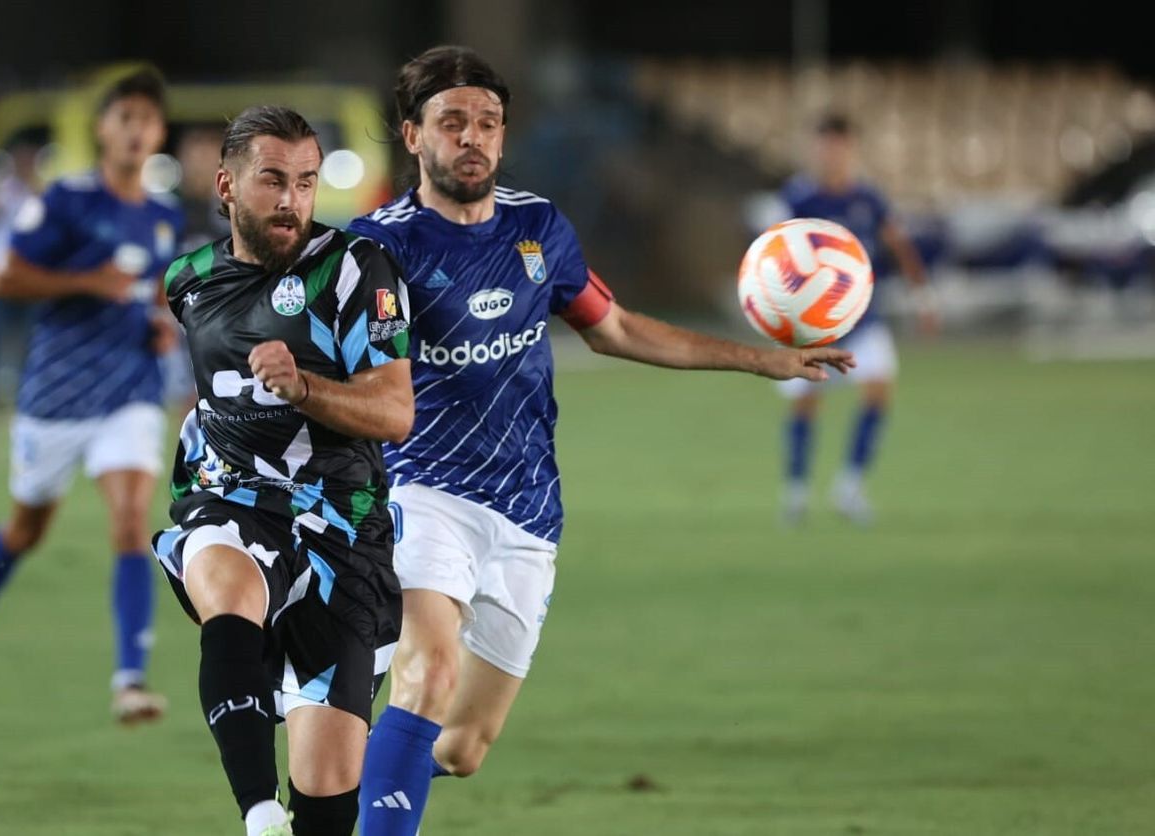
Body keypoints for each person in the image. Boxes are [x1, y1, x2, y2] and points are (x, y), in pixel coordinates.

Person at [347, 46, 853, 834]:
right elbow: (350, 373)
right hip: (422, 492)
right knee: (429, 670)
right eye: (452, 122)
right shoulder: (378, 247)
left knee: (463, 747)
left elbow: (613, 328)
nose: (472, 137)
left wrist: (764, 359)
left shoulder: (538, 229)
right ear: (413, 135)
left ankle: (360, 772)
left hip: (527, 510)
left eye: (488, 122)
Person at [154, 105, 413, 836]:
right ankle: (258, 811)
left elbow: (394, 412)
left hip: (344, 527)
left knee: (327, 801)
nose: (292, 200)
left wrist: (303, 388)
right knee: (228, 590)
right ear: (227, 185)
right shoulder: (188, 280)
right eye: (273, 180)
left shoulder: (357, 268)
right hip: (233, 499)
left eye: (306, 181)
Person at [0, 69, 183, 727]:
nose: (136, 131)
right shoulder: (68, 201)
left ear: (159, 132)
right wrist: (85, 282)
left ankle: (130, 680)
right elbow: (4, 278)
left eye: (147, 120)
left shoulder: (164, 214)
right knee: (28, 528)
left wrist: (160, 326)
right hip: (56, 394)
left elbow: (152, 294)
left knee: (131, 519)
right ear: (102, 128)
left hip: (130, 390)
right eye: (124, 117)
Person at [774, 113, 936, 525]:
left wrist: (923, 297)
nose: (831, 154)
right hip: (810, 326)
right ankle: (796, 491)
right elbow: (772, 255)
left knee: (878, 391)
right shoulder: (798, 199)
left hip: (862, 320)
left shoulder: (869, 199)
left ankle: (850, 487)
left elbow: (898, 245)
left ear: (850, 149)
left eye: (838, 146)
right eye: (824, 145)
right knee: (806, 404)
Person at [0, 126, 49, 408]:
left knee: (30, 336)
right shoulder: (0, 186)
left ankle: (25, 390)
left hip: (28, 273)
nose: (25, 164)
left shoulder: (38, 190)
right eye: (21, 158)